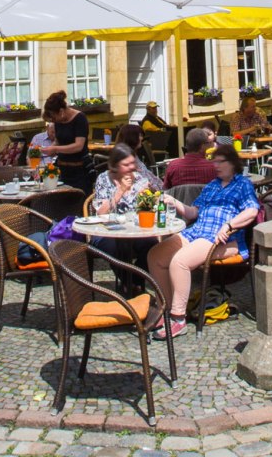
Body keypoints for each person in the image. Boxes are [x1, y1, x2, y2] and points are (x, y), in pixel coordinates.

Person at [145, 144, 260, 340]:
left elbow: (252, 210)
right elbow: (193, 213)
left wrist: (229, 226)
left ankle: (178, 318)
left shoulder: (242, 184)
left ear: (232, 163)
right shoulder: (212, 185)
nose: (215, 166)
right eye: (214, 162)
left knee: (179, 262)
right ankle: (165, 307)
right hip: (197, 231)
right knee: (155, 255)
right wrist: (175, 203)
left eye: (220, 162)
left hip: (221, 239)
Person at [41, 90, 93, 193]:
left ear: (61, 111)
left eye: (54, 117)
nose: (54, 121)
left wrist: (55, 149)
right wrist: (49, 149)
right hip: (63, 169)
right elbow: (58, 140)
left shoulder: (80, 118)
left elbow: (79, 146)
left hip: (79, 170)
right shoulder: (58, 121)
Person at [91, 144, 164, 215]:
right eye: (126, 165)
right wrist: (121, 191)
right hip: (110, 225)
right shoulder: (104, 179)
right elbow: (100, 213)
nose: (131, 167)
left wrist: (148, 197)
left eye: (133, 163)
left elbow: (153, 207)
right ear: (115, 166)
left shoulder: (138, 178)